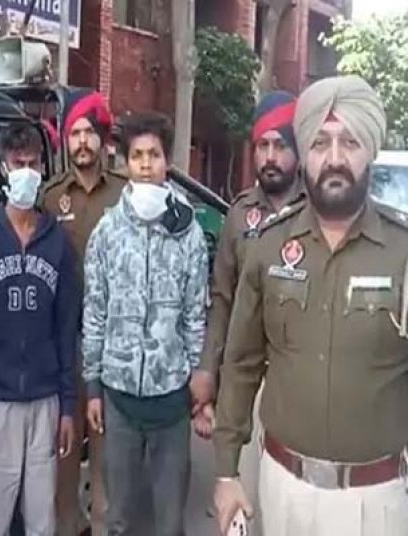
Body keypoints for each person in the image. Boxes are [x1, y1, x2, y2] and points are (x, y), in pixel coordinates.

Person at [213, 75, 408, 536]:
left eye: (350, 142)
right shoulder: (269, 246)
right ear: (305, 154)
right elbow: (241, 364)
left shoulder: (402, 250)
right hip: (285, 491)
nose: (335, 158)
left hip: (375, 501)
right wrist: (225, 473)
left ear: (369, 151)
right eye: (320, 143)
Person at [82, 111, 208, 535]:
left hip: (171, 398)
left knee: (169, 521)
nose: (146, 164)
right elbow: (95, 311)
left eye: (154, 155)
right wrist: (93, 386)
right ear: (126, 163)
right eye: (137, 156)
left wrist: (197, 382)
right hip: (119, 398)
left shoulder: (188, 233)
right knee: (118, 517)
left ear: (166, 162)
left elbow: (195, 314)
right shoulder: (107, 232)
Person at [0, 123, 78, 536]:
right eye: (17, 163)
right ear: (4, 169)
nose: (25, 171)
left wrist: (67, 406)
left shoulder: (57, 240)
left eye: (32, 163)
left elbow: (66, 328)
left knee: (42, 520)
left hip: (45, 399)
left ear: (43, 168)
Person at [191, 91, 303, 529]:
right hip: (246, 378)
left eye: (280, 145)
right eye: (262, 146)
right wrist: (207, 369)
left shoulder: (316, 211)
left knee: (291, 504)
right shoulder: (240, 215)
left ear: (298, 150)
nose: (270, 157)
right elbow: (222, 297)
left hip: (296, 376)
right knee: (240, 500)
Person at [42, 89, 126, 536]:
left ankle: (103, 524)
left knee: (108, 449)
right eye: (74, 133)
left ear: (103, 139)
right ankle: (67, 525)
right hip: (66, 340)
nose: (81, 142)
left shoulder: (125, 193)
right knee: (66, 445)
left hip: (114, 340)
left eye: (89, 132)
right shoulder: (51, 197)